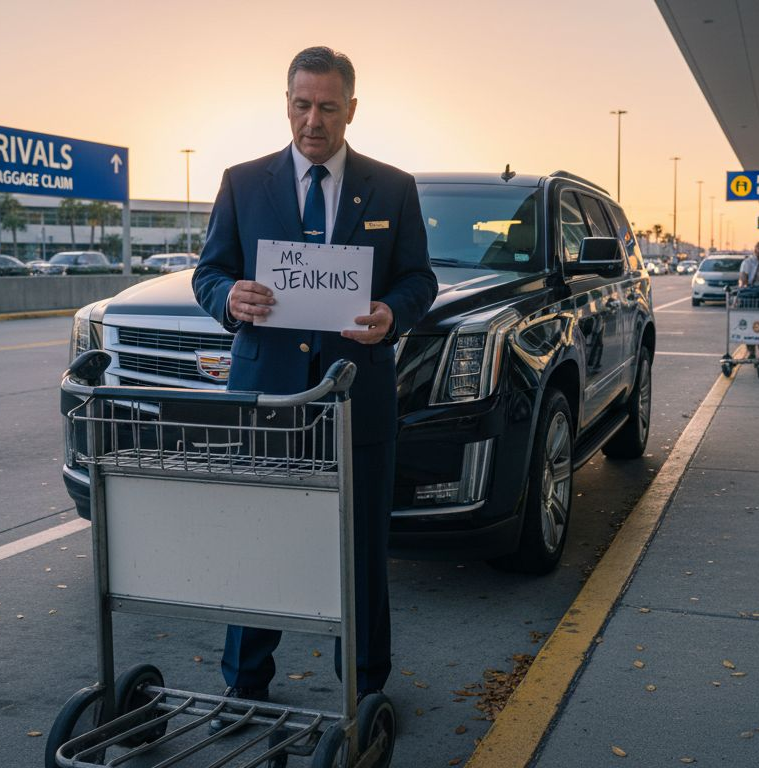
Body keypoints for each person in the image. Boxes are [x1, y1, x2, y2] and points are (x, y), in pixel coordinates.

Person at [192, 46, 438, 712]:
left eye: (328, 107)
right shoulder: (244, 183)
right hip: (266, 394)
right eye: (301, 105)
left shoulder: (393, 188)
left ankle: (363, 689)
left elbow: (420, 279)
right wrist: (228, 299)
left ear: (351, 109)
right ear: (287, 103)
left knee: (360, 548)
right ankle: (245, 685)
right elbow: (209, 272)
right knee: (261, 540)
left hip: (357, 399)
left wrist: (393, 312)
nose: (313, 121)